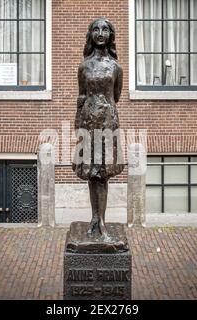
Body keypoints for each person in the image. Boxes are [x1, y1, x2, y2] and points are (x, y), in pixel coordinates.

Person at [72, 18, 124, 239]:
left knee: (103, 174)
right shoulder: (84, 67)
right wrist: (78, 125)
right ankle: (94, 217)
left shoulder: (116, 67)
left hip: (107, 123)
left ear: (110, 35)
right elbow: (81, 96)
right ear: (90, 34)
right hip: (88, 123)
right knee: (92, 173)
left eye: (105, 29)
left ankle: (100, 221)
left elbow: (116, 96)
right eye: (96, 29)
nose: (100, 33)